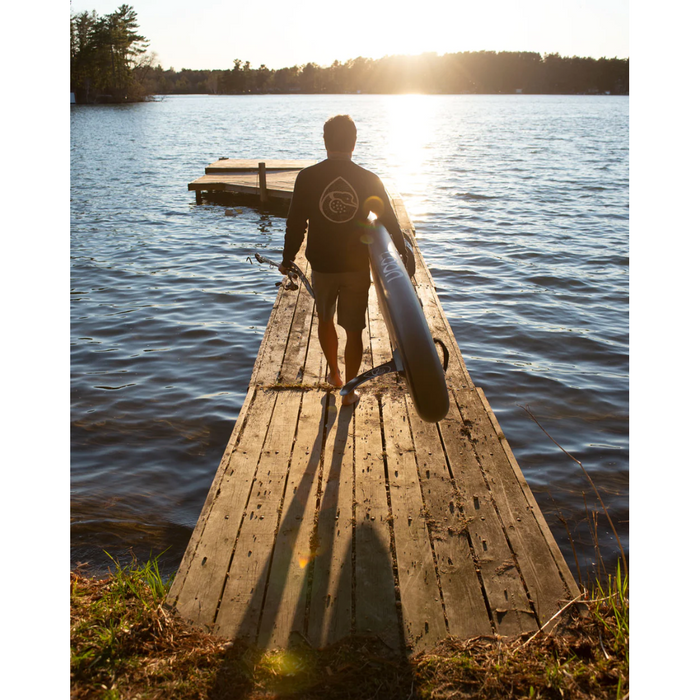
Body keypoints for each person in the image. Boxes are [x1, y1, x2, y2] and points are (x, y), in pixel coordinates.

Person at [280, 114, 407, 406]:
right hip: (356, 266)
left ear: (325, 141)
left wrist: (288, 258)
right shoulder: (369, 179)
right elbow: (390, 222)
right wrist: (402, 257)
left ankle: (335, 375)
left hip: (322, 266)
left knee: (325, 319)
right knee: (354, 328)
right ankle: (349, 390)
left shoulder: (307, 177)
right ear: (354, 142)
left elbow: (295, 223)